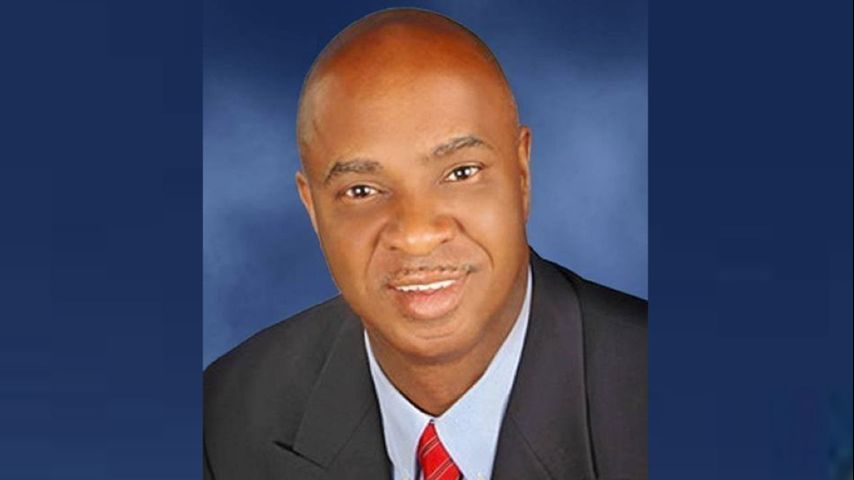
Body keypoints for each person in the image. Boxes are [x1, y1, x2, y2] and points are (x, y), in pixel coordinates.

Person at [204, 8, 646, 480]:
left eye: (460, 173)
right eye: (362, 191)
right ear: (312, 207)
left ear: (521, 174)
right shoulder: (225, 420)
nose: (415, 235)